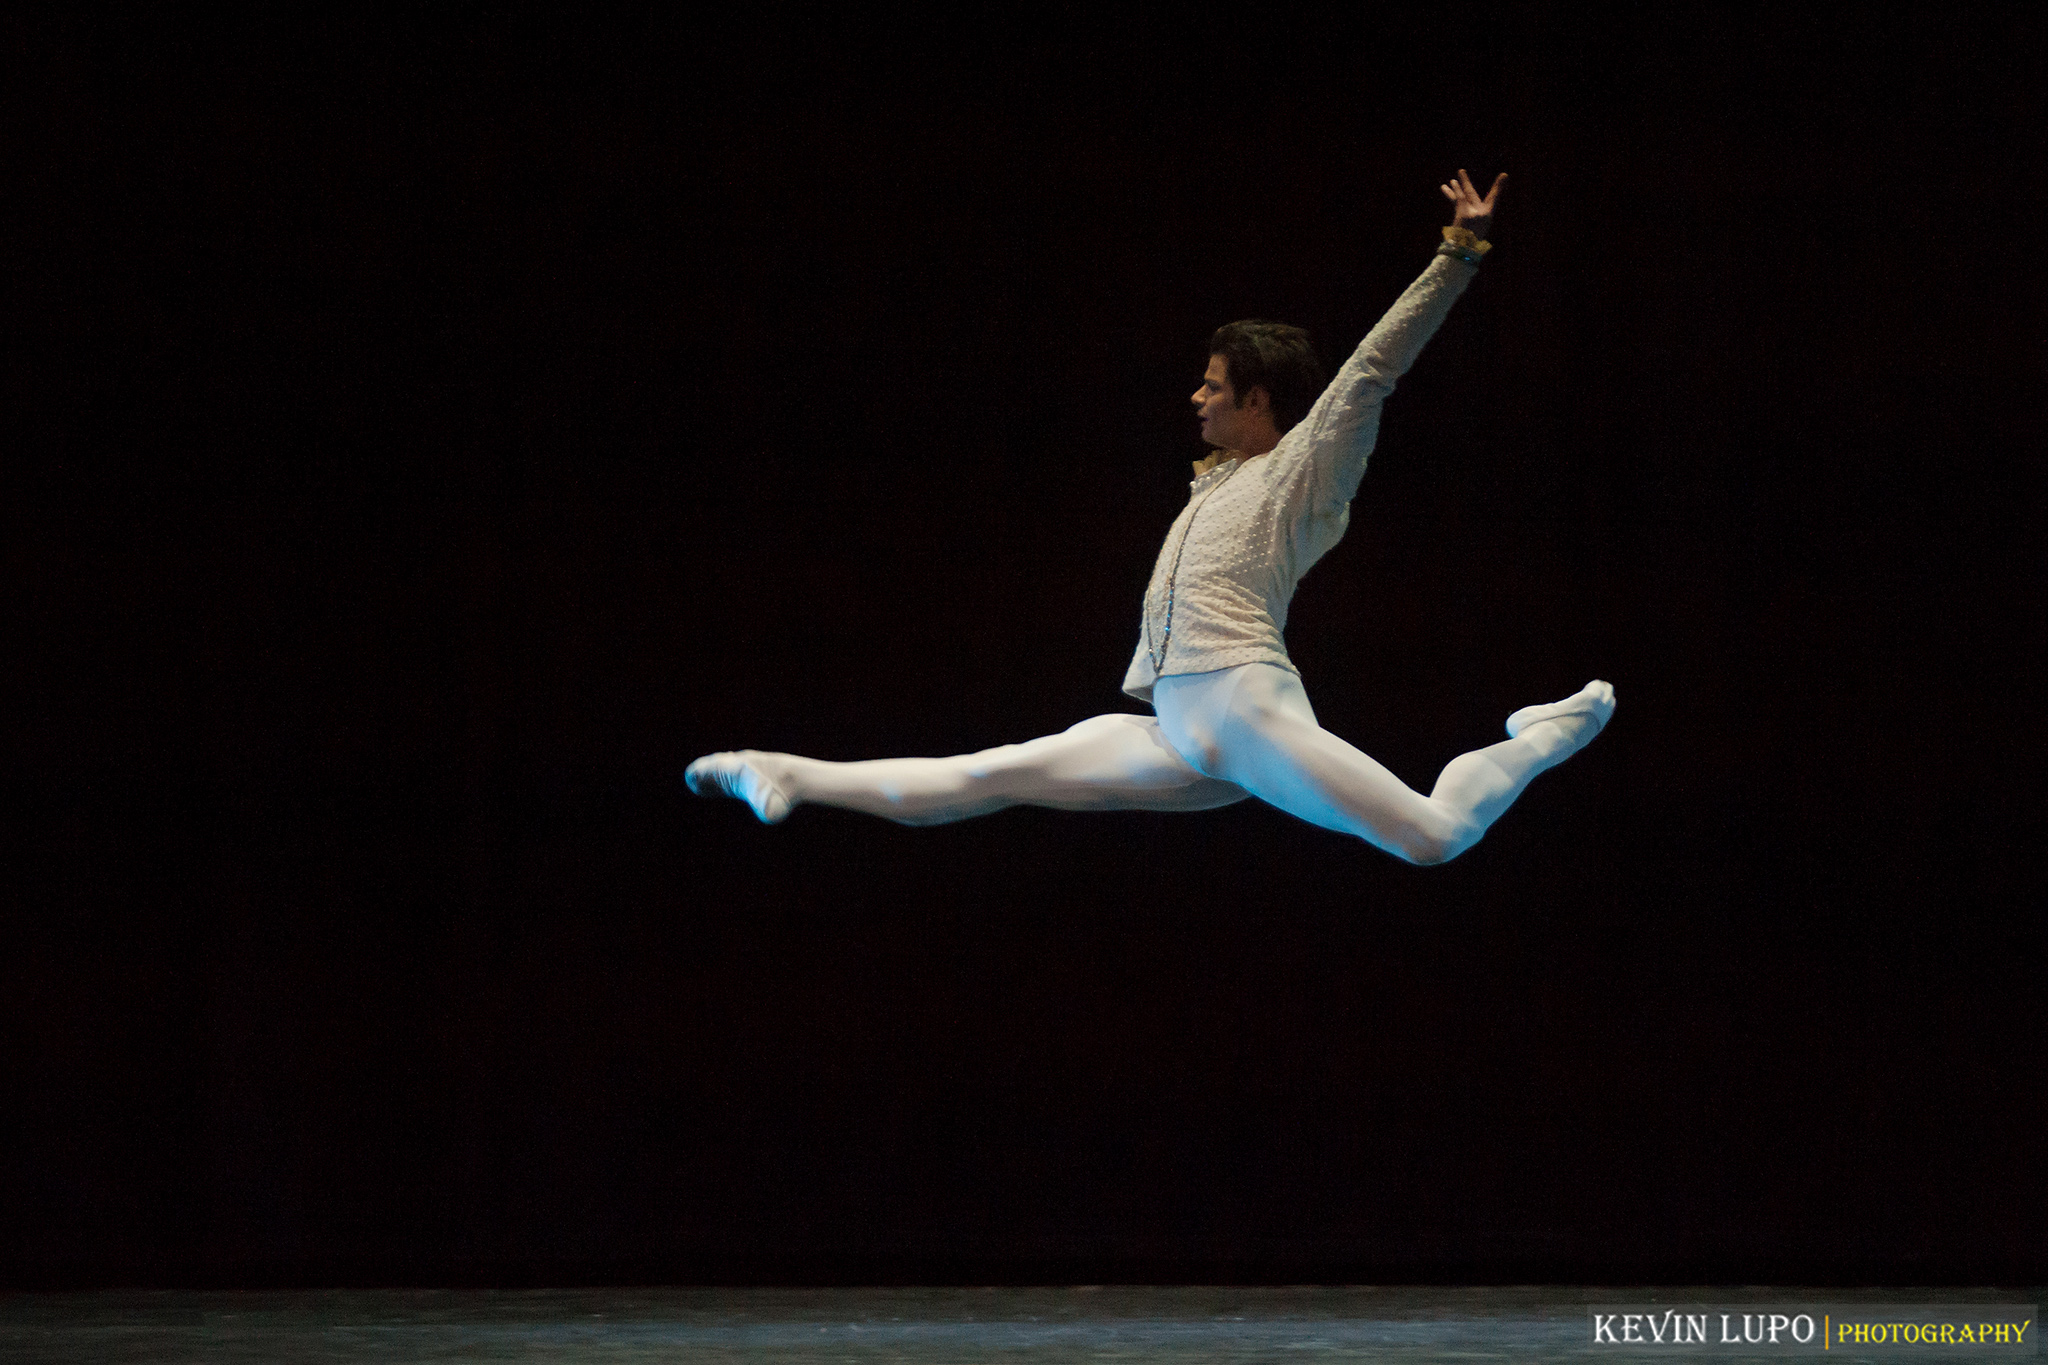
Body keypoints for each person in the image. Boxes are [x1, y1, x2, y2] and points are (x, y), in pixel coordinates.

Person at [686, 170, 1613, 865]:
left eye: (1214, 386)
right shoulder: (1214, 483)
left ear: (1259, 400)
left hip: (1243, 707)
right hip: (1179, 727)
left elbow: (1372, 368)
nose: (1196, 398)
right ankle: (776, 768)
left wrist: (1458, 254)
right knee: (990, 773)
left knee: (1432, 835)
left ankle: (1543, 730)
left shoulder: (1303, 468)